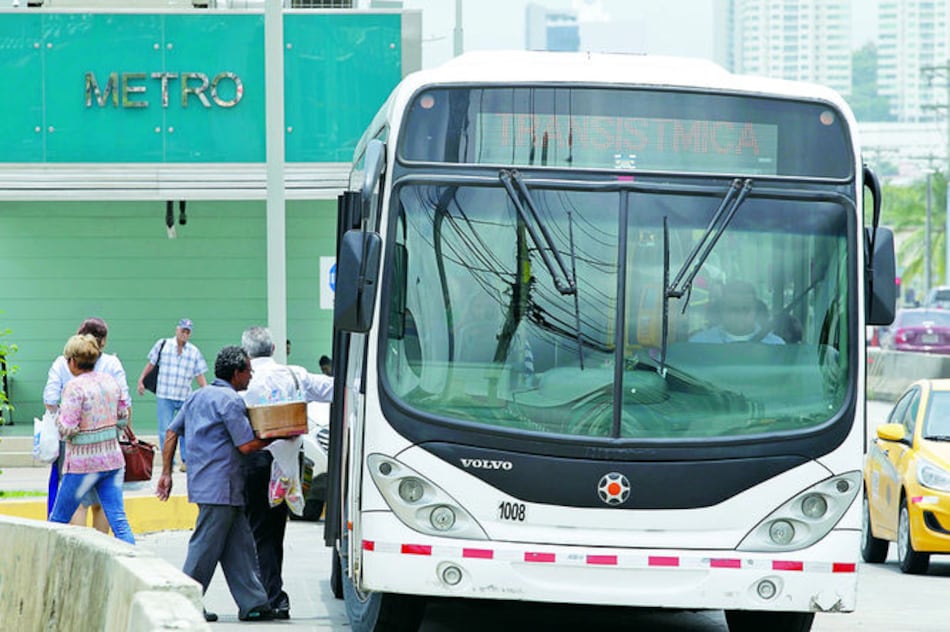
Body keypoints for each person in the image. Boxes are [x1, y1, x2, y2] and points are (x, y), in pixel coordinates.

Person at [155, 345, 275, 623]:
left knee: (239, 546)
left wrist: (166, 473)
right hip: (222, 485)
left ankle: (253, 603)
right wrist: (278, 436)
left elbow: (172, 432)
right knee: (205, 546)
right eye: (248, 371)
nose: (251, 376)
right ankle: (183, 602)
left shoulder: (197, 396)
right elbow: (246, 445)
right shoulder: (230, 401)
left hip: (210, 484)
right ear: (236, 373)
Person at [241, 326, 334, 620]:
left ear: (247, 354)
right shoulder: (295, 374)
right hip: (287, 468)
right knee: (274, 532)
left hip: (256, 462)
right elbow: (333, 387)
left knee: (257, 532)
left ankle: (265, 596)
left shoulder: (243, 380)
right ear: (273, 350)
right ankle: (273, 596)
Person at [43, 317, 132, 532]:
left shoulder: (69, 378)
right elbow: (124, 410)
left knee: (74, 507)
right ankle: (113, 555)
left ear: (73, 360)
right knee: (111, 512)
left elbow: (55, 408)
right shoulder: (111, 371)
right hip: (110, 452)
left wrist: (61, 420)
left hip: (79, 456)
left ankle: (79, 555)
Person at [137, 318, 208, 472]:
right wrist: (141, 380)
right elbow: (150, 364)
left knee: (186, 430)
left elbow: (200, 375)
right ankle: (168, 463)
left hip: (184, 396)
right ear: (176, 330)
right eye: (182, 330)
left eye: (187, 331)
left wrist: (207, 392)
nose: (184, 334)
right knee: (165, 430)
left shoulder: (194, 352)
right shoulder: (163, 345)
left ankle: (186, 461)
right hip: (165, 394)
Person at [690, 280, 785, 344]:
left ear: (756, 310)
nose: (740, 315)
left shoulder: (775, 345)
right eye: (733, 309)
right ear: (722, 310)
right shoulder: (700, 343)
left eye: (746, 309)